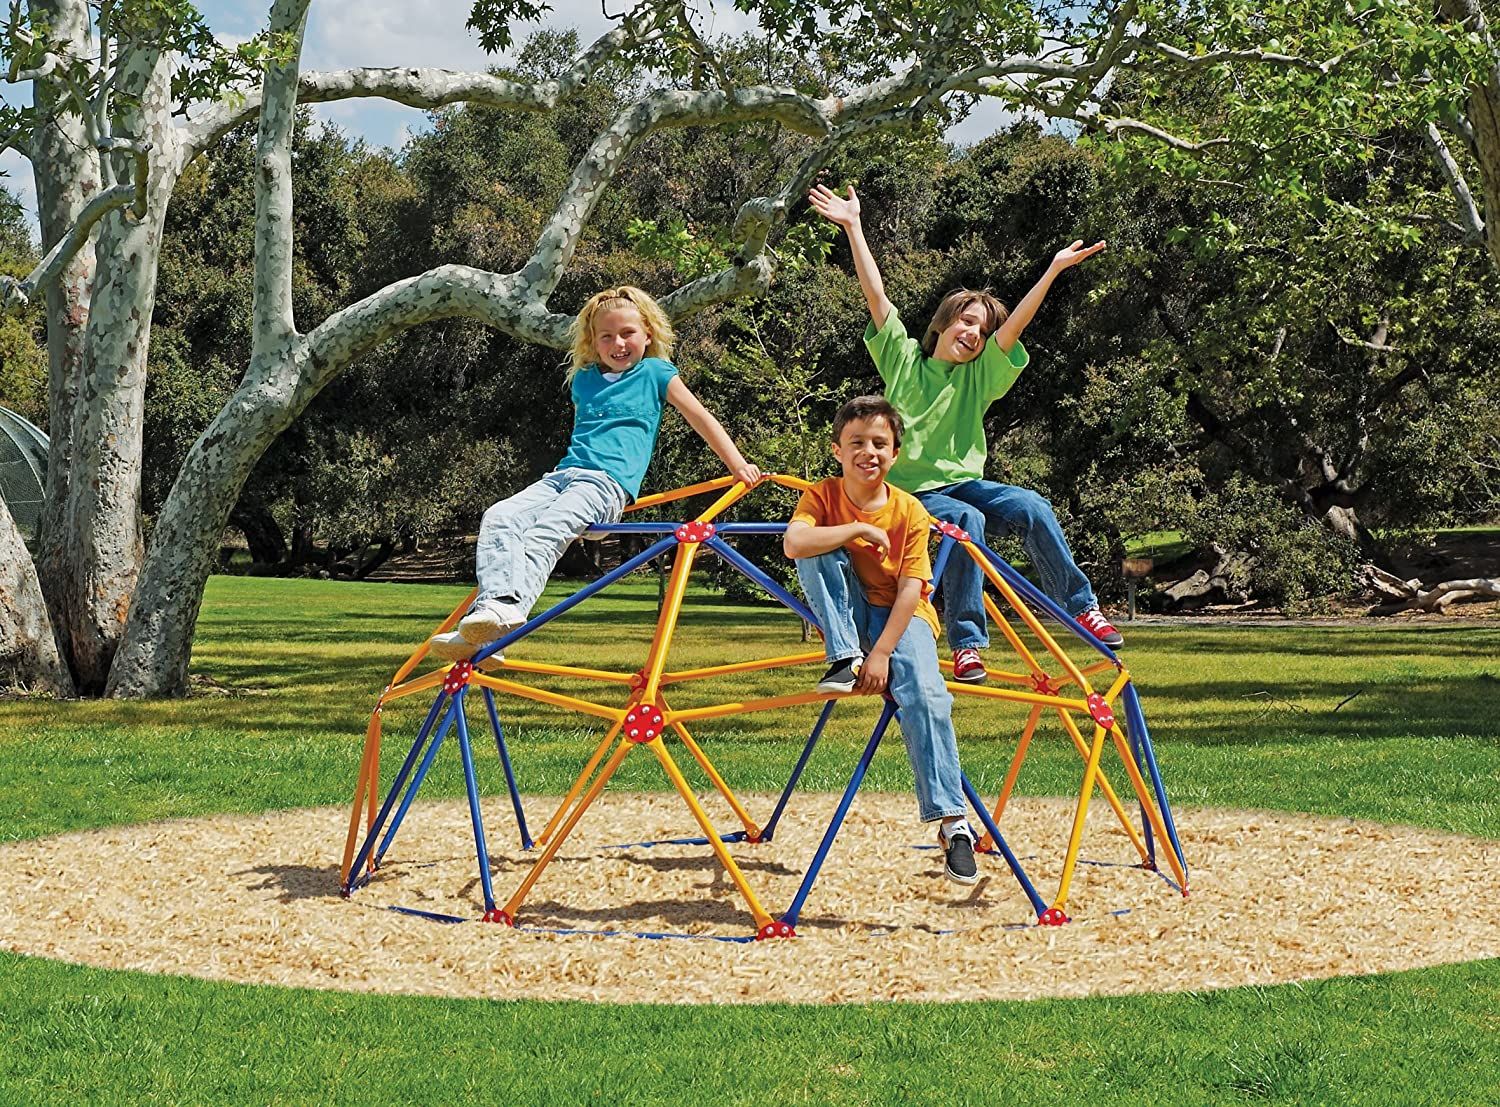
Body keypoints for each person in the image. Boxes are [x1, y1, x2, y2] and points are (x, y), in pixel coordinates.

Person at [808, 182, 1121, 685]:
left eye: (981, 329)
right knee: (963, 520)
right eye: (966, 321)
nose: (973, 333)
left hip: (965, 483)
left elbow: (1012, 329)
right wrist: (853, 226)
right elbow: (875, 294)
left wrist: (1053, 270)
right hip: (909, 496)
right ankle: (969, 643)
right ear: (944, 323)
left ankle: (1081, 607)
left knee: (1032, 507)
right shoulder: (904, 360)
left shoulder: (977, 377)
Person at [431, 286, 761, 660]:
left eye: (627, 333)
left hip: (606, 486)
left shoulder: (655, 372)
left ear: (647, 334)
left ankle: (508, 610)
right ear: (593, 341)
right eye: (607, 336)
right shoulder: (585, 380)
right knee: (500, 517)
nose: (618, 343)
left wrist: (737, 464)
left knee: (546, 531)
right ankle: (487, 633)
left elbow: (701, 418)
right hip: (563, 477)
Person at [784, 394, 979, 885]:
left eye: (879, 443)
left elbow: (913, 587)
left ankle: (953, 823)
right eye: (857, 442)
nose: (867, 452)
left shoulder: (910, 510)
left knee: (928, 696)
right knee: (816, 548)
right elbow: (794, 544)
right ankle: (842, 656)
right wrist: (854, 529)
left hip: (901, 615)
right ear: (837, 449)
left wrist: (884, 653)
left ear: (894, 454)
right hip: (851, 611)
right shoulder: (822, 494)